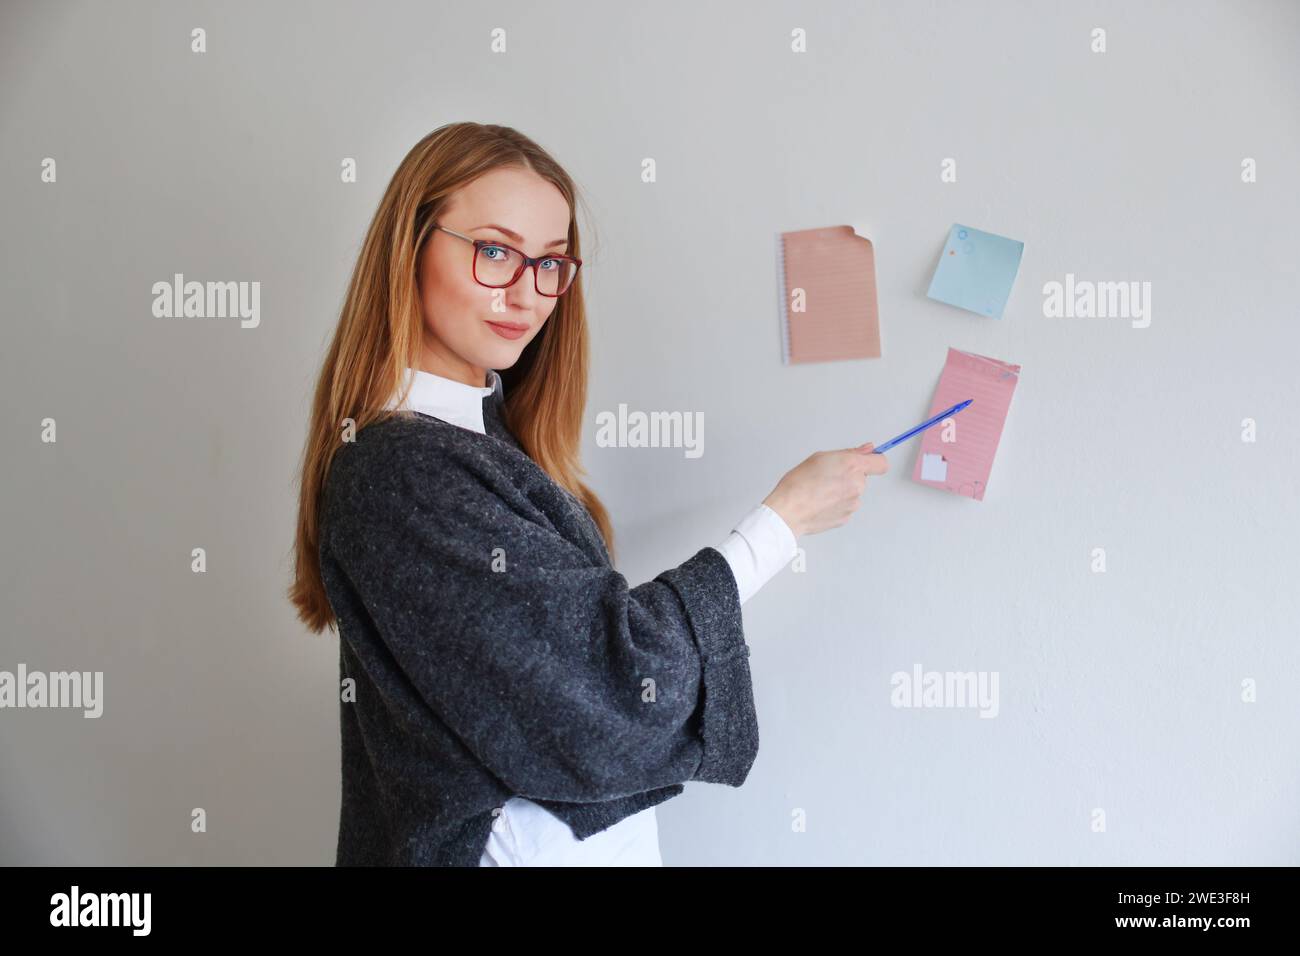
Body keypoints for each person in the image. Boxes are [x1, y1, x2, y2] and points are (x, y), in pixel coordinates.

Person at [286, 122, 888, 866]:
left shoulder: (490, 440)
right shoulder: (399, 473)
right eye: (495, 251)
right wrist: (781, 522)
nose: (526, 294)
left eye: (550, 264)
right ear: (410, 245)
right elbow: (603, 696)